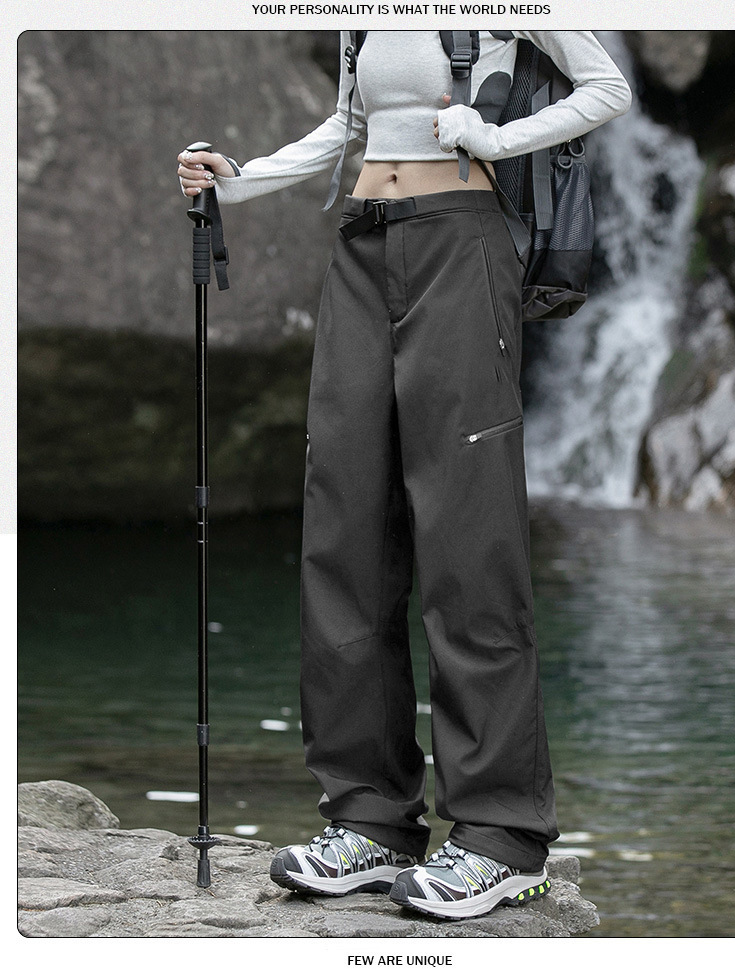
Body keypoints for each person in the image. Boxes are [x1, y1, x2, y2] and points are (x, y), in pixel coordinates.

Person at [178, 30, 631, 920]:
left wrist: (493, 138)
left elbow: (605, 86)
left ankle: (502, 835)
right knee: (342, 530)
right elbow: (349, 128)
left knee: (468, 539)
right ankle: (370, 819)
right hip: (361, 246)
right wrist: (239, 178)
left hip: (462, 246)